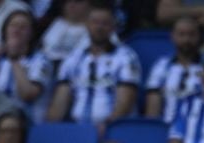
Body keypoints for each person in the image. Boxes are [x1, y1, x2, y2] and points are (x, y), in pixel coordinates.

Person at [46, 1, 140, 130]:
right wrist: (49, 129)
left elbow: (125, 103)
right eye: (95, 22)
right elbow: (60, 101)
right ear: (87, 24)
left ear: (113, 27)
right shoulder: (73, 59)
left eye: (105, 23)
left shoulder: (126, 57)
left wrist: (108, 127)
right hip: (77, 129)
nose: (99, 27)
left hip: (114, 130)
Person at [143, 15, 202, 123]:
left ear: (199, 37)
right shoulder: (161, 66)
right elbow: (152, 109)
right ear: (172, 37)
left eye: (191, 35)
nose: (186, 40)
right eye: (181, 34)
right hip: (166, 129)